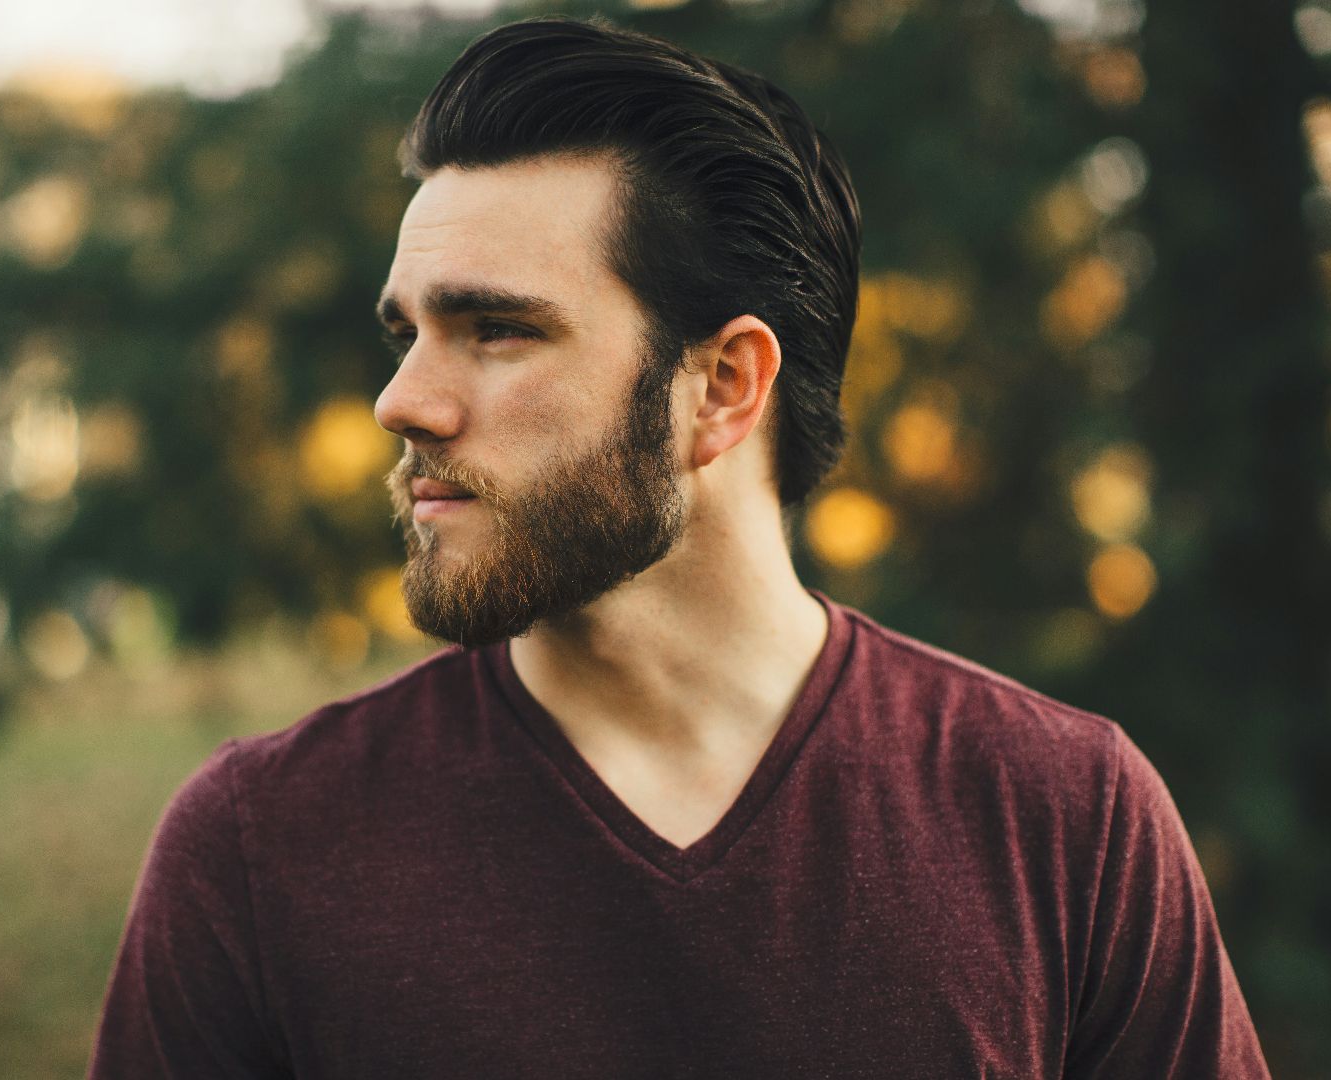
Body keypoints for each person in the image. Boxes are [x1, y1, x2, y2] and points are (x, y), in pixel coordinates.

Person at [89, 15, 1271, 1079]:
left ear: (721, 386)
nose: (402, 402)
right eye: (408, 333)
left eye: (497, 330)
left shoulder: (1063, 818)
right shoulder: (264, 847)